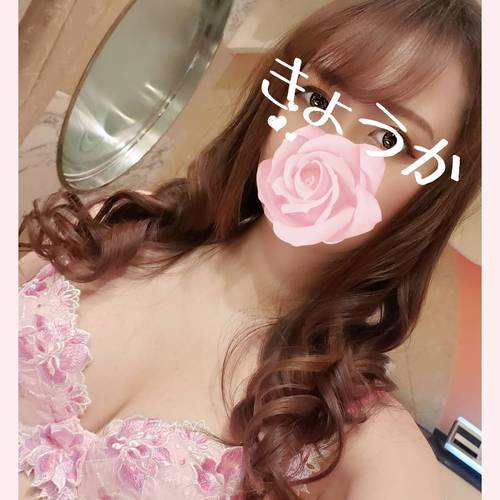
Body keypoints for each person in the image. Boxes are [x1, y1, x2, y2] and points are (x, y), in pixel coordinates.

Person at [18, 0, 481, 498]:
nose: (327, 143)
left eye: (389, 139)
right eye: (317, 98)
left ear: (435, 191)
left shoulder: (363, 442)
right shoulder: (120, 225)